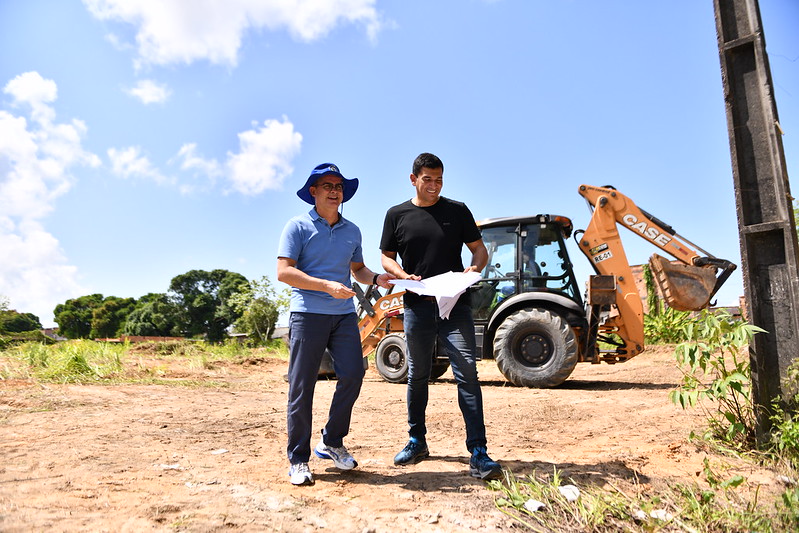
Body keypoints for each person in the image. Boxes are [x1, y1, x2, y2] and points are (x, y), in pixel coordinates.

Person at [379, 152, 503, 480]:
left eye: (439, 179)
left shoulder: (457, 211)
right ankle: (417, 441)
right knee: (417, 374)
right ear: (413, 179)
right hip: (417, 306)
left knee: (467, 372)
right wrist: (402, 273)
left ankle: (478, 451)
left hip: (455, 304)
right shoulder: (396, 214)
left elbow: (479, 249)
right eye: (428, 179)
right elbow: (385, 258)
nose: (434, 186)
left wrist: (473, 270)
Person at [278, 162, 393, 486]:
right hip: (307, 314)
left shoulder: (352, 231)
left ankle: (331, 441)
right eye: (327, 186)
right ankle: (298, 459)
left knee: (355, 373)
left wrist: (377, 278)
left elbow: (358, 270)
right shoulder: (297, 227)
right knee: (302, 386)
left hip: (343, 315)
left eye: (339, 187)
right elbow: (284, 271)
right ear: (313, 192)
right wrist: (326, 285)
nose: (334, 191)